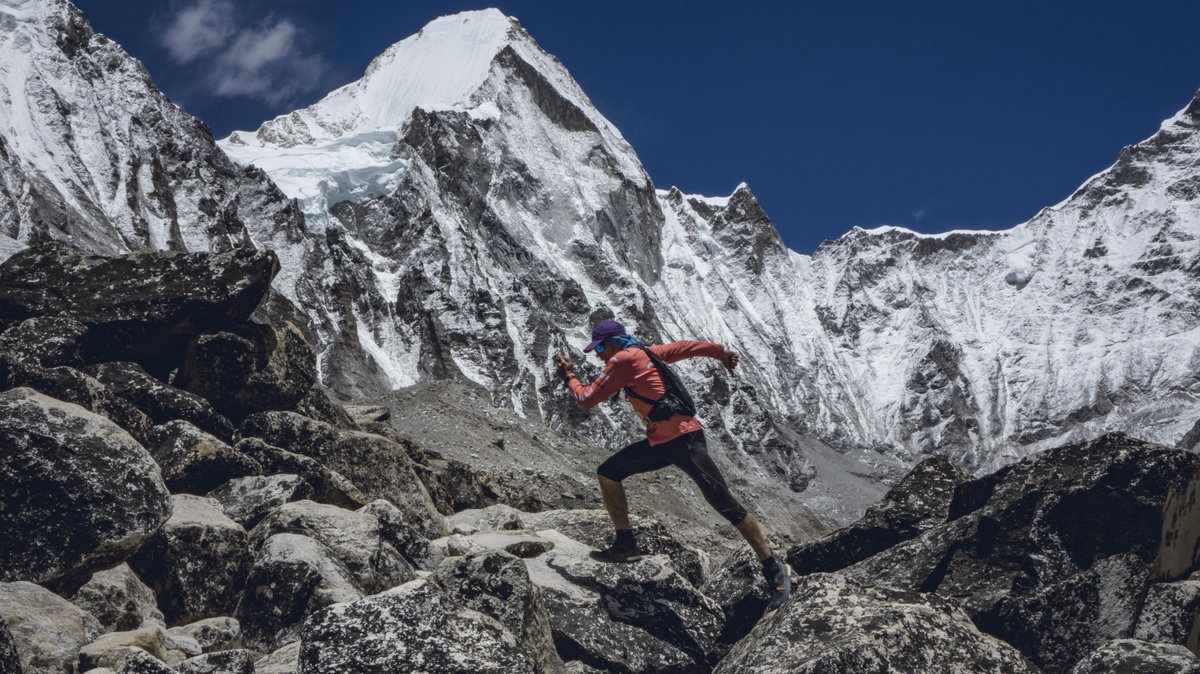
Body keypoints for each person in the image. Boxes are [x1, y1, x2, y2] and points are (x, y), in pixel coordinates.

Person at [553, 319, 792, 609]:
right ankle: (625, 544)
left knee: (726, 504)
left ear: (614, 343)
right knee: (608, 473)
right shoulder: (645, 352)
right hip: (662, 443)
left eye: (600, 348)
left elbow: (586, 399)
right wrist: (720, 352)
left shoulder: (622, 360)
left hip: (683, 442)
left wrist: (569, 376)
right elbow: (685, 347)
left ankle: (773, 568)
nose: (599, 354)